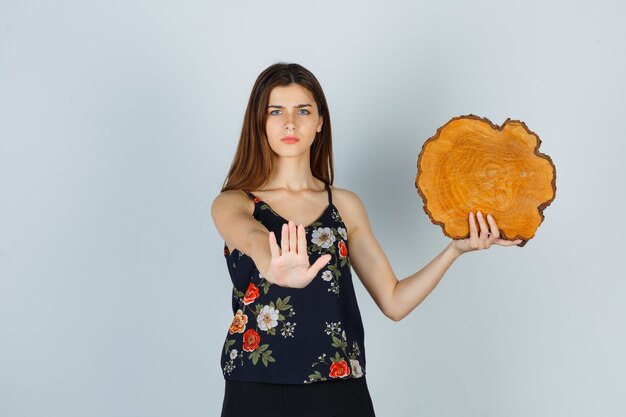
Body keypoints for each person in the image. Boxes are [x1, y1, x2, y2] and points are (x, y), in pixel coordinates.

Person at [210, 62, 523, 417]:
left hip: (340, 390)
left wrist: (456, 249)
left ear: (320, 121)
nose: (290, 123)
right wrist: (271, 264)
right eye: (276, 111)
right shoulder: (235, 201)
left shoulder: (344, 205)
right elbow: (247, 235)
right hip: (256, 388)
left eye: (303, 110)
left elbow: (394, 301)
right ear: (260, 122)